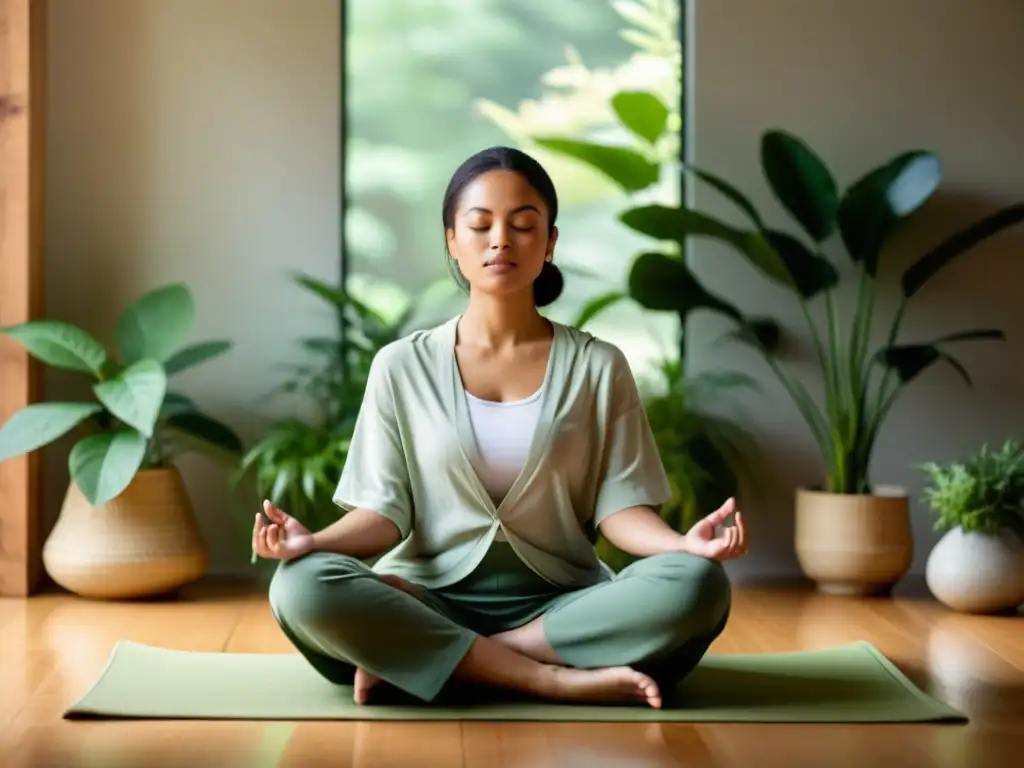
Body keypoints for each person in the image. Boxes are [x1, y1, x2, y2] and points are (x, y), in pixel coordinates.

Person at [254, 146, 748, 709]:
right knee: (301, 585)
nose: (501, 241)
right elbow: (382, 515)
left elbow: (622, 511)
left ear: (550, 242)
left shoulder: (598, 365)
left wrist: (684, 546)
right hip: (424, 598)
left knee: (696, 585)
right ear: (451, 242)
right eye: (481, 224)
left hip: (563, 606)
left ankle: (445, 660)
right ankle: (545, 677)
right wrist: (311, 543)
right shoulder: (401, 365)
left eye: (523, 225)